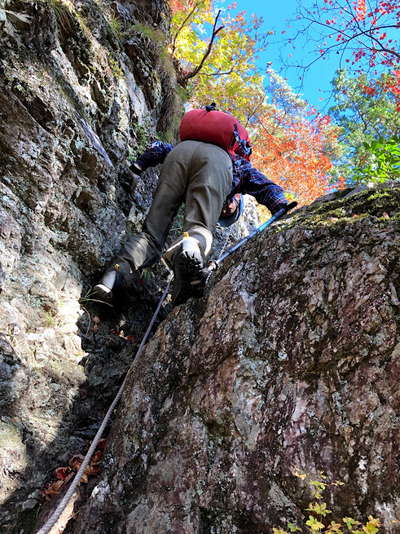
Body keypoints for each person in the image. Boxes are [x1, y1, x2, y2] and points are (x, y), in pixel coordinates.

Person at [93, 107, 288, 304]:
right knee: (199, 228)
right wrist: (281, 206)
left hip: (179, 153)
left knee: (151, 234)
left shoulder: (196, 143)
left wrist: (137, 168)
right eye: (228, 211)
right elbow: (267, 186)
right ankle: (191, 244)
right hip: (216, 163)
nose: (224, 211)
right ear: (236, 201)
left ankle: (113, 275)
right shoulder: (239, 165)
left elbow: (160, 148)